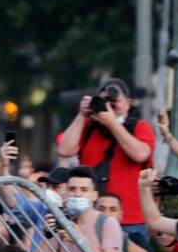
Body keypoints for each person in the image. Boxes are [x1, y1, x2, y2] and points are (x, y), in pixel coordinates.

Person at [57, 78, 153, 239]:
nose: (109, 107)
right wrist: (82, 115)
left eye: (115, 102)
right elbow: (65, 150)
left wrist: (113, 124)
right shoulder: (88, 127)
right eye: (104, 102)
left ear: (128, 103)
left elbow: (140, 154)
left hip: (130, 220)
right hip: (91, 217)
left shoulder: (139, 127)